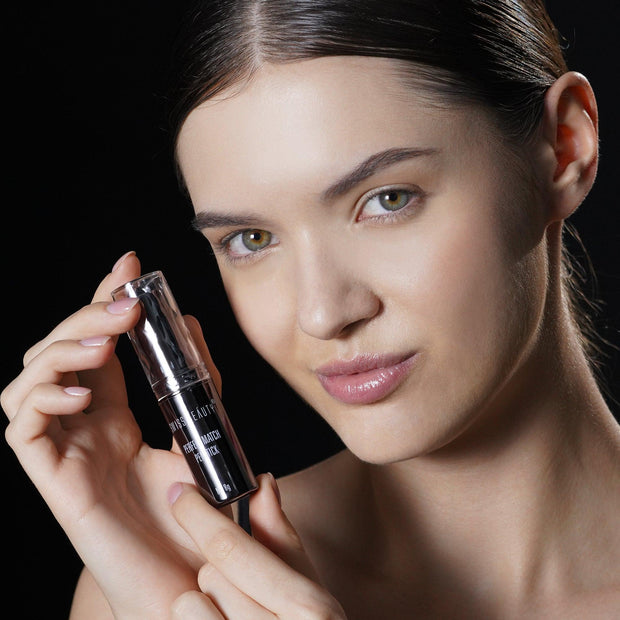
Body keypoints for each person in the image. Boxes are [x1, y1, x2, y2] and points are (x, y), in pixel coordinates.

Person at [3, 0, 619, 617]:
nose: (323, 314)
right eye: (251, 240)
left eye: (387, 199)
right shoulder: (177, 589)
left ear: (564, 148)